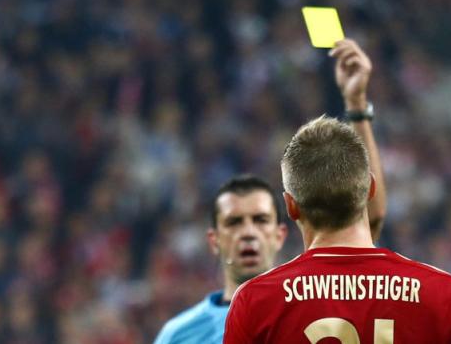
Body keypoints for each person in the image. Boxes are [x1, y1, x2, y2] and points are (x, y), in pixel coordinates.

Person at [223, 40, 451, 343]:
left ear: (290, 206)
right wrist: (357, 106)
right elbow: (375, 222)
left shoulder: (256, 302)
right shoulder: (442, 294)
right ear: (371, 188)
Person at [154, 38, 387, 344]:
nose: (248, 233)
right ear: (214, 239)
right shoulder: (179, 334)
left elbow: (366, 215)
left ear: (280, 233)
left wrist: (356, 107)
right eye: (234, 222)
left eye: (260, 220)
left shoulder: (306, 300)